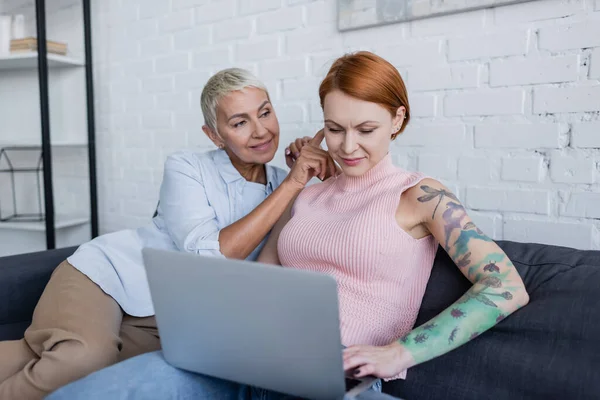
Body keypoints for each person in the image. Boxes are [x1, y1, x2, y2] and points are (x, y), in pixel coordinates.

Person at [47, 51, 530, 400]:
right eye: (334, 128)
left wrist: (400, 353)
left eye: (366, 129)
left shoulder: (420, 196)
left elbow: (506, 287)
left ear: (397, 120)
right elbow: (262, 278)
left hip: (336, 375)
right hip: (246, 359)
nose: (347, 146)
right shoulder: (307, 193)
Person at [0, 68, 335, 400]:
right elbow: (209, 256)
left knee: (89, 365)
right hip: (108, 278)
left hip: (172, 314)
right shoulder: (187, 167)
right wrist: (293, 182)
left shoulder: (287, 182)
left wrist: (307, 177)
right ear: (215, 135)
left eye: (265, 112)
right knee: (83, 358)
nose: (261, 131)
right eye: (239, 122)